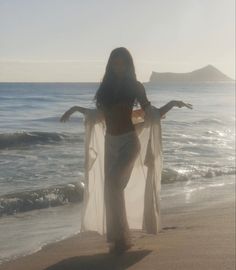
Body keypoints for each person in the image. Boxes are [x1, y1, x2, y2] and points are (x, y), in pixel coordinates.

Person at [60, 47, 192, 254]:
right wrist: (76, 108)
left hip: (129, 144)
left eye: (123, 63)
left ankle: (121, 237)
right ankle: (118, 238)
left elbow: (151, 113)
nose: (119, 67)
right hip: (110, 144)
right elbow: (99, 115)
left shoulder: (135, 86)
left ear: (129, 65)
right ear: (110, 65)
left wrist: (172, 104)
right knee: (111, 190)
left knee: (113, 185)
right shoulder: (105, 88)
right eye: (115, 63)